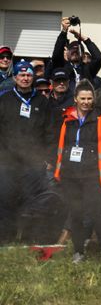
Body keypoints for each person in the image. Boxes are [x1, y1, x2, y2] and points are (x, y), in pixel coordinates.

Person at [52, 83, 101, 261]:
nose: (86, 102)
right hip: (70, 174)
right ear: (75, 99)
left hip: (92, 174)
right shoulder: (67, 119)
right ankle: (78, 251)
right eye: (83, 98)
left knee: (94, 212)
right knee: (76, 213)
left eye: (89, 98)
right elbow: (61, 146)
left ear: (93, 100)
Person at [0, 60, 59, 242]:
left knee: (31, 200)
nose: (25, 78)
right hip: (7, 161)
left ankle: (28, 237)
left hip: (33, 162)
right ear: (15, 77)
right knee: (5, 199)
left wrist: (48, 158)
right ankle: (6, 238)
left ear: (34, 77)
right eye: (22, 75)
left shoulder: (43, 102)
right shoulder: (4, 99)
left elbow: (50, 132)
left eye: (28, 75)